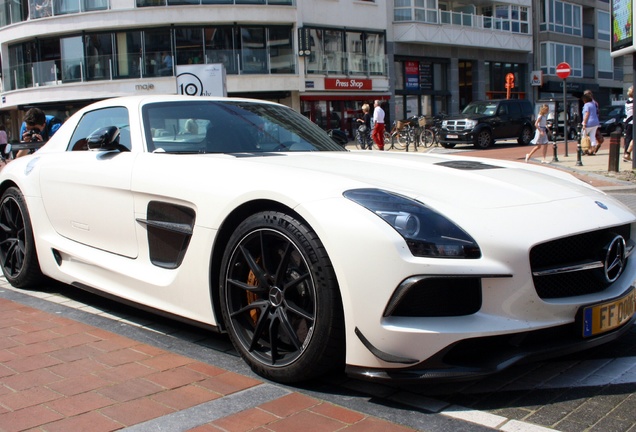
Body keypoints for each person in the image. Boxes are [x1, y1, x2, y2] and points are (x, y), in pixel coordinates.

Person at [581, 90, 600, 155]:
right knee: (592, 137)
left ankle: (584, 149)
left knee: (583, 135)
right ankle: (592, 150)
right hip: (595, 122)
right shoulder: (593, 104)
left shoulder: (587, 105)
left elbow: (587, 114)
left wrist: (584, 123)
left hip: (589, 123)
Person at [624, 86, 633, 162]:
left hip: (627, 122)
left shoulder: (627, 102)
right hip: (632, 122)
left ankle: (626, 154)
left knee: (628, 139)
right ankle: (627, 153)